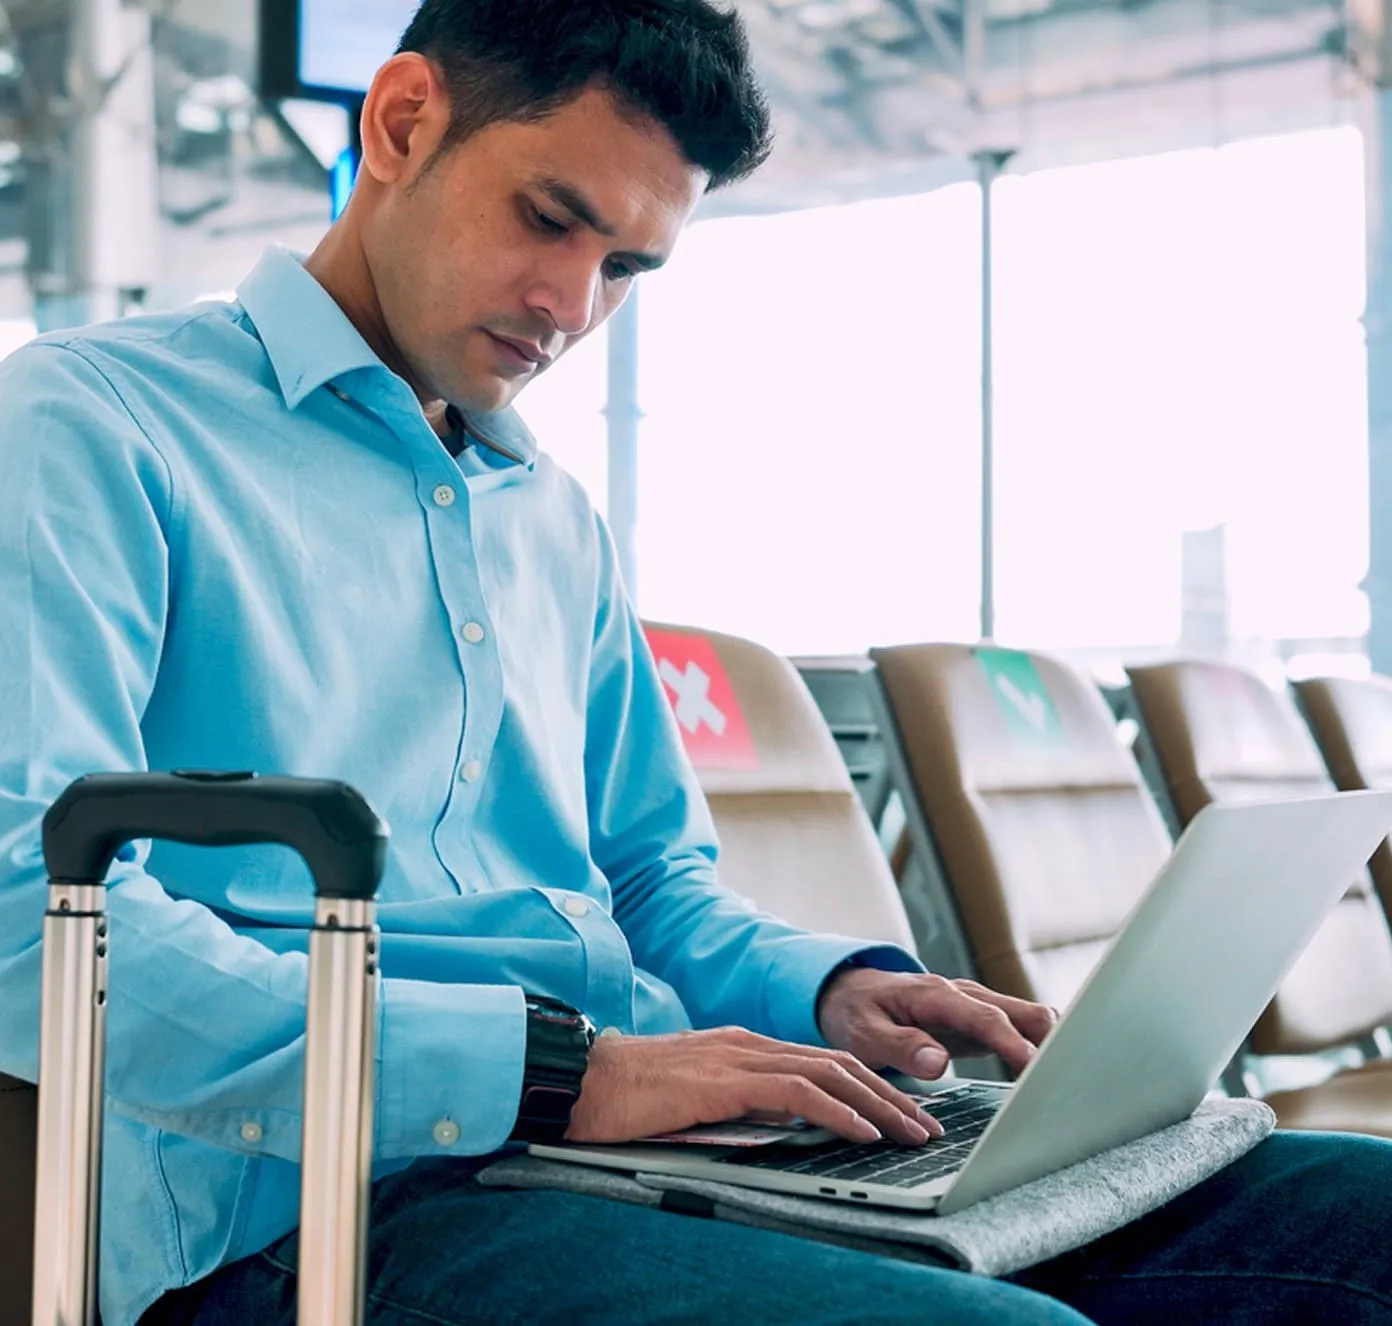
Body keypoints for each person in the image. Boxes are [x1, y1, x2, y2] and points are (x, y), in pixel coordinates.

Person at [1, 1, 1390, 1322]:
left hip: (635, 1159)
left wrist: (828, 988)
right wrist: (555, 1076)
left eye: (627, 268)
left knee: (1359, 1224)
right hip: (319, 1213)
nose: (570, 303)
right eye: (550, 217)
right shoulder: (97, 430)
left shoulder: (549, 522)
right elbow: (25, 919)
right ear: (403, 121)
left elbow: (655, 883)